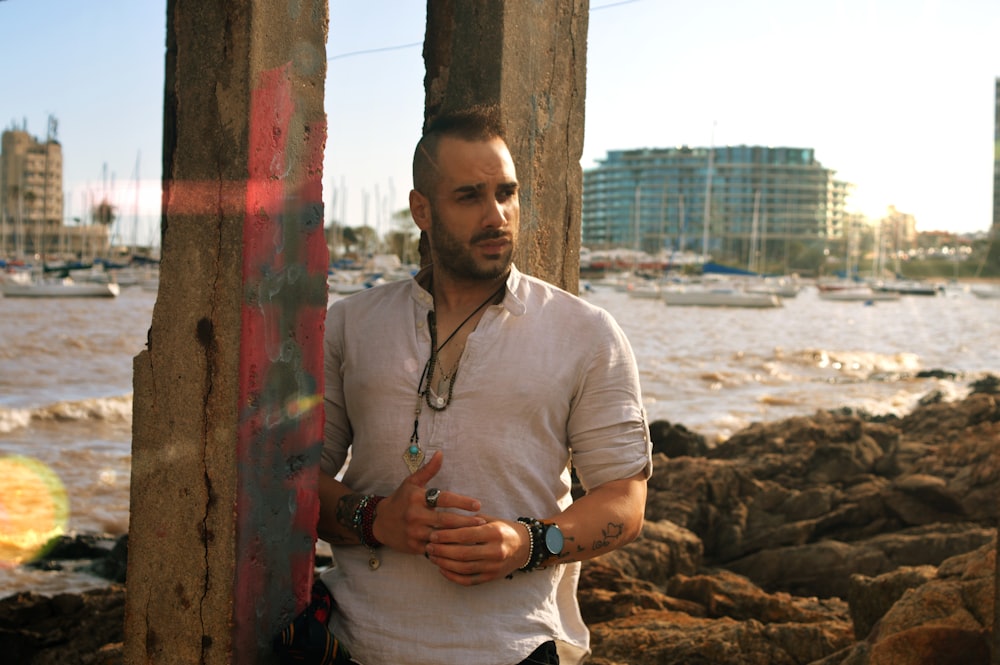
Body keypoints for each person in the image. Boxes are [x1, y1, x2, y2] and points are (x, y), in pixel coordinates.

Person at [317, 105, 651, 665]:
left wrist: (528, 543)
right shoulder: (350, 324)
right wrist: (373, 519)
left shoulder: (586, 333)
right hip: (353, 643)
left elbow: (625, 501)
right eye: (469, 196)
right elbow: (295, 484)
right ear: (422, 210)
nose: (496, 214)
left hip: (514, 647)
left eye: (506, 192)